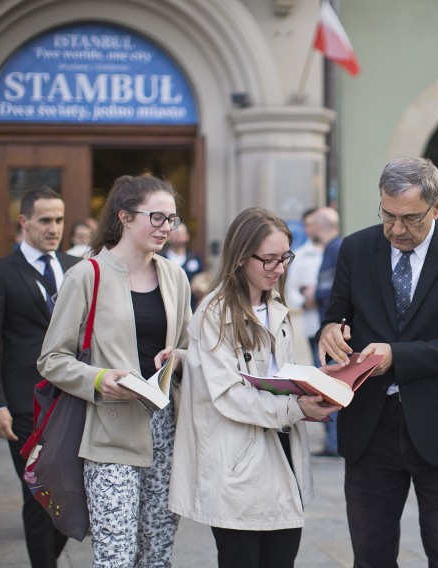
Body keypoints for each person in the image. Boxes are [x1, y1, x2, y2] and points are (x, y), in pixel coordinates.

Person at [318, 157, 438, 567]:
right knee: (370, 557)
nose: (397, 229)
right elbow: (337, 315)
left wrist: (397, 357)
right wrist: (330, 330)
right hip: (368, 428)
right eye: (388, 215)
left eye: (411, 218)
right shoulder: (356, 249)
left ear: (437, 207)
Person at [169, 207, 338, 568]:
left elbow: (280, 374)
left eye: (285, 258)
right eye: (270, 260)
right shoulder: (214, 312)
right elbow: (228, 395)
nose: (279, 269)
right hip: (238, 466)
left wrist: (322, 384)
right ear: (242, 257)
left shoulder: (276, 305)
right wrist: (297, 408)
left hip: (283, 453)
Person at [37, 175, 193, 567]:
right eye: (157, 217)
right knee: (115, 556)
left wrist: (179, 357)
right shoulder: (87, 275)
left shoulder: (175, 276)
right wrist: (99, 379)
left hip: (165, 432)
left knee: (157, 554)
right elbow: (51, 359)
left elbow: (192, 350)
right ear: (124, 217)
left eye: (171, 220)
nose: (165, 228)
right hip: (108, 433)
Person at [0, 186, 79, 568]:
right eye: (45, 220)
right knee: (38, 494)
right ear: (24, 222)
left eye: (60, 220)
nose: (54, 228)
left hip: (73, 399)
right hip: (23, 403)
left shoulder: (75, 266)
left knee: (74, 494)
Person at [312, 206, 343, 457]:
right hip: (325, 330)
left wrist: (314, 294)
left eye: (312, 225)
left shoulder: (336, 248)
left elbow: (335, 289)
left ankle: (335, 443)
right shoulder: (332, 248)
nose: (309, 230)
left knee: (330, 388)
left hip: (331, 334)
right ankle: (332, 443)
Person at [284, 208, 323, 366]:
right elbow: (291, 290)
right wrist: (305, 299)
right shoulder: (299, 255)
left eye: (314, 224)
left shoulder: (339, 250)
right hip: (312, 324)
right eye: (307, 225)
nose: (310, 229)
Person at [161, 222, 205, 309]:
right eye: (174, 233)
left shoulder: (195, 258)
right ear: (168, 236)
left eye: (181, 233)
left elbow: (204, 280)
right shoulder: (160, 258)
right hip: (166, 307)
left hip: (190, 306)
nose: (177, 236)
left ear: (187, 236)